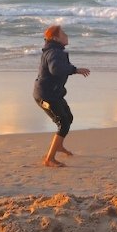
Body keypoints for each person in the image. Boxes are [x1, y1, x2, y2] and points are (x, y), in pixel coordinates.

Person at [32, 24, 90, 167]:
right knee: (63, 123)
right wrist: (75, 70)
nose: (66, 35)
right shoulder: (54, 52)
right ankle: (49, 159)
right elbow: (55, 69)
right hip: (46, 96)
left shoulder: (54, 50)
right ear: (56, 38)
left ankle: (58, 146)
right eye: (63, 33)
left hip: (54, 94)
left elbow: (58, 67)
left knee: (68, 118)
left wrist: (73, 70)